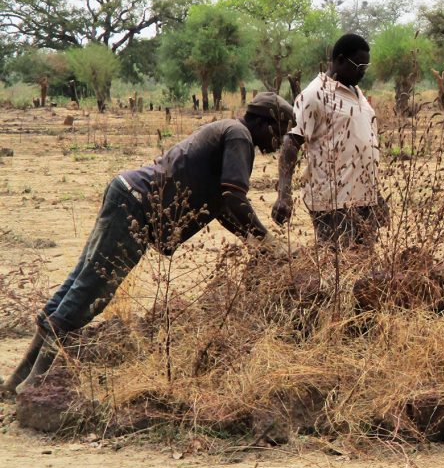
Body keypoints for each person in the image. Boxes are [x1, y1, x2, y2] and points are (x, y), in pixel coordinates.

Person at [0, 93, 295, 395]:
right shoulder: (240, 136)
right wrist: (268, 241)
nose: (280, 141)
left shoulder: (230, 130)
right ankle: (33, 384)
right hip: (137, 206)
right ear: (261, 122)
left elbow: (221, 207)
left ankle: (15, 380)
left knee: (80, 281)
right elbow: (233, 196)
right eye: (279, 131)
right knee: (92, 291)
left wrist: (254, 242)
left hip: (129, 196)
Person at [271, 33, 382, 246]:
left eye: (365, 67)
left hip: (364, 200)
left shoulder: (357, 93)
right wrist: (283, 194)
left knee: (365, 269)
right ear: (340, 60)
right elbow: (291, 142)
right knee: (338, 268)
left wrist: (377, 195)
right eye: (359, 65)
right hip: (333, 202)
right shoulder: (314, 95)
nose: (363, 72)